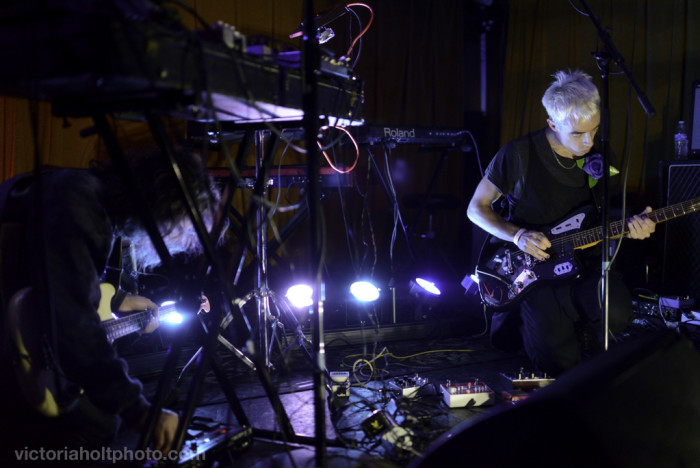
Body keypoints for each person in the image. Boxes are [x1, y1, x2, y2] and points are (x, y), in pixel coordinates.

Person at [0, 146, 220, 462]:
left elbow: (60, 278)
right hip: (14, 351)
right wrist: (141, 411)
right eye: (180, 230)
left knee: (99, 424)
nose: (175, 246)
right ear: (164, 207)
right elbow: (74, 326)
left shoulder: (91, 201)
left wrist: (116, 298)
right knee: (91, 428)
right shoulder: (77, 202)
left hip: (22, 332)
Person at [467, 69, 656, 376]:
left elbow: (607, 214)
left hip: (584, 263)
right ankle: (527, 326)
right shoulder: (518, 154)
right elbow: (476, 208)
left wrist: (633, 226)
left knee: (619, 314)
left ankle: (576, 327)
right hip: (535, 270)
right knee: (558, 365)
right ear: (552, 124)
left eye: (594, 130)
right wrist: (517, 235)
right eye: (578, 134)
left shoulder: (601, 153)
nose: (588, 141)